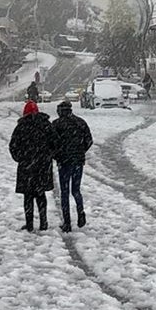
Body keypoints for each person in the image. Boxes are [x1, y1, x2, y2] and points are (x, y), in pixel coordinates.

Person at [8, 100, 56, 231]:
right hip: (43, 165)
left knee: (28, 195)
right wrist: (48, 156)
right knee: (40, 194)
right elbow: (55, 143)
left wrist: (20, 158)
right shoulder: (46, 125)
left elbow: (13, 146)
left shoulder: (21, 127)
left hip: (27, 165)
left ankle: (29, 224)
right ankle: (43, 222)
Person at [50, 99, 92, 233]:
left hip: (64, 162)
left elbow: (51, 144)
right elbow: (89, 140)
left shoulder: (56, 124)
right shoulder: (80, 122)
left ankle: (67, 222)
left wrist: (57, 155)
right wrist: (80, 151)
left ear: (60, 111)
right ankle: (81, 213)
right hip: (78, 161)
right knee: (76, 190)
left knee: (64, 192)